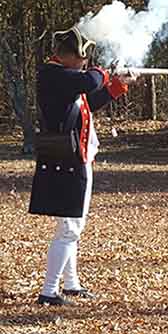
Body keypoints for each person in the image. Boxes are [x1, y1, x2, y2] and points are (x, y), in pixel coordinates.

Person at [28, 26, 132, 306]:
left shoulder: (63, 78)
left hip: (74, 158)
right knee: (70, 229)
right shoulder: (54, 75)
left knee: (70, 225)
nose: (85, 64)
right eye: (83, 59)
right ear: (71, 57)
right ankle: (49, 291)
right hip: (68, 160)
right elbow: (89, 81)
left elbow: (88, 101)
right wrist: (105, 70)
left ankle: (70, 284)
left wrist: (116, 86)